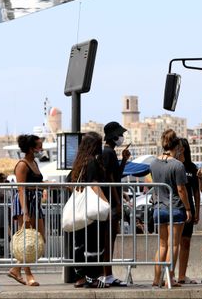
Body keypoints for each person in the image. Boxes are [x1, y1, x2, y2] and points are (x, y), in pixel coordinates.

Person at [150, 129, 191, 288]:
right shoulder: (178, 165)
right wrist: (188, 208)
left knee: (161, 245)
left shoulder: (153, 163)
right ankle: (169, 278)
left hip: (158, 208)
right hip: (175, 208)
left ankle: (156, 279)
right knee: (174, 245)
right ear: (177, 145)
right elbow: (181, 190)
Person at [69, 131, 110, 289]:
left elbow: (69, 183)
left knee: (80, 243)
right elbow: (94, 186)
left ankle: (80, 278)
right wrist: (105, 203)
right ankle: (93, 277)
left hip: (80, 210)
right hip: (92, 211)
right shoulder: (92, 162)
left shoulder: (78, 163)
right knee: (94, 243)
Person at [7, 134, 45, 287]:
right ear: (31, 148)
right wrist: (26, 212)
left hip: (35, 201)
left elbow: (39, 183)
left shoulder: (33, 162)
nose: (41, 148)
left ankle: (16, 269)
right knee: (26, 241)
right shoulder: (22, 164)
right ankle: (28, 274)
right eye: (39, 145)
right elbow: (21, 189)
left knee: (40, 238)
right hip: (26, 203)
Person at [101, 121, 131, 287]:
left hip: (113, 201)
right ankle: (107, 274)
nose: (122, 137)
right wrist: (118, 202)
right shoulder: (108, 153)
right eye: (120, 134)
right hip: (112, 203)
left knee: (110, 239)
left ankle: (108, 274)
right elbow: (111, 179)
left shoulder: (110, 152)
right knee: (108, 239)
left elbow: (116, 175)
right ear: (113, 136)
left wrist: (124, 160)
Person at [176, 138, 200, 284]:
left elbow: (196, 192)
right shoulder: (173, 165)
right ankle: (170, 275)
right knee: (173, 243)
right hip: (176, 208)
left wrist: (196, 210)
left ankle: (182, 276)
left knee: (185, 242)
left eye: (180, 147)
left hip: (189, 209)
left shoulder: (192, 167)